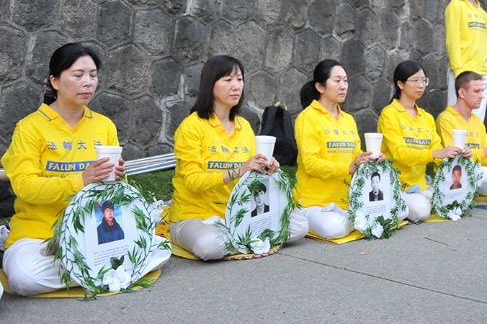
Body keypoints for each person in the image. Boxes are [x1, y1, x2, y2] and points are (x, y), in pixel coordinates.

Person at [1, 43, 170, 296]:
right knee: (23, 277)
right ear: (55, 81)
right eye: (78, 75)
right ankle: (104, 269)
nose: (88, 82)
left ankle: (84, 261)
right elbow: (25, 188)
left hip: (94, 232)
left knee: (161, 249)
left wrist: (115, 179)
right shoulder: (30, 128)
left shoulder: (104, 126)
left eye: (92, 75)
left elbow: (111, 197)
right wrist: (80, 179)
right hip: (38, 235)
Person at [170, 55, 308, 260]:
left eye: (239, 79)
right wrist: (238, 170)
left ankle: (242, 236)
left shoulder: (244, 127)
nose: (236, 86)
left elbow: (252, 175)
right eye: (227, 80)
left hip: (238, 213)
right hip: (195, 215)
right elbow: (192, 182)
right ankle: (248, 237)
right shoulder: (191, 127)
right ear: (210, 85)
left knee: (300, 225)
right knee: (209, 246)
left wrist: (267, 169)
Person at [295, 60, 406, 239]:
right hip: (314, 203)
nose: (343, 86)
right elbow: (310, 163)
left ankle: (360, 219)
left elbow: (356, 155)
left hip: (347, 199)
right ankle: (364, 221)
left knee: (401, 211)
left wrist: (371, 159)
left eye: (345, 81)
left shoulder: (348, 119)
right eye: (337, 81)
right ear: (320, 87)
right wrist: (348, 168)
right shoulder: (307, 118)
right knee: (335, 229)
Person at [378, 61, 465, 222]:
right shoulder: (389, 114)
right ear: (400, 84)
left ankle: (420, 199)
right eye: (415, 80)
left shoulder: (427, 117)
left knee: (456, 199)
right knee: (423, 211)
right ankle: (392, 203)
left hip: (421, 184)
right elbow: (400, 154)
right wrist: (435, 153)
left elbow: (438, 151)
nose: (421, 85)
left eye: (424, 81)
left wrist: (456, 154)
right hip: (397, 185)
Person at [437, 71, 487, 207]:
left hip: (479, 170)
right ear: (462, 93)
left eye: (482, 91)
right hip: (458, 174)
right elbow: (455, 161)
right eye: (476, 91)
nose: (482, 95)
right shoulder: (446, 118)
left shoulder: (477, 121)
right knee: (485, 176)